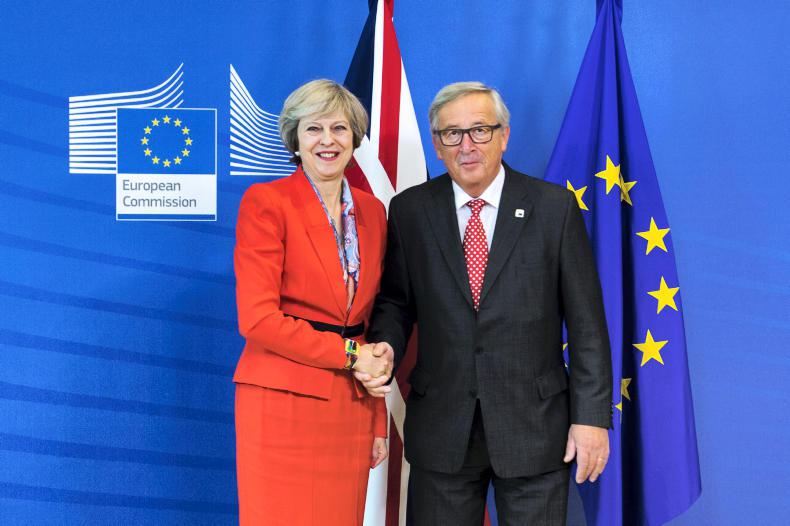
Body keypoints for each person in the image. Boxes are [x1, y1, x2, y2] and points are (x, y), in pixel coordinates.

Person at [357, 82, 613, 526]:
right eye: (452, 134)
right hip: (442, 426)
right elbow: (397, 303)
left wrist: (591, 418)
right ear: (437, 145)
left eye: (480, 130)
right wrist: (384, 347)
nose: (467, 145)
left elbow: (587, 324)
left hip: (535, 427)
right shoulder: (410, 211)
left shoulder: (553, 208)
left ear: (504, 135)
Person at [233, 79, 391, 526]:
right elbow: (258, 320)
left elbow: (365, 325)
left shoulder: (373, 212)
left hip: (351, 407)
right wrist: (351, 356)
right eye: (314, 129)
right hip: (281, 402)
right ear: (295, 139)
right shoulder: (267, 203)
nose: (328, 140)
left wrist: (378, 419)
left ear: (354, 139)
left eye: (339, 128)